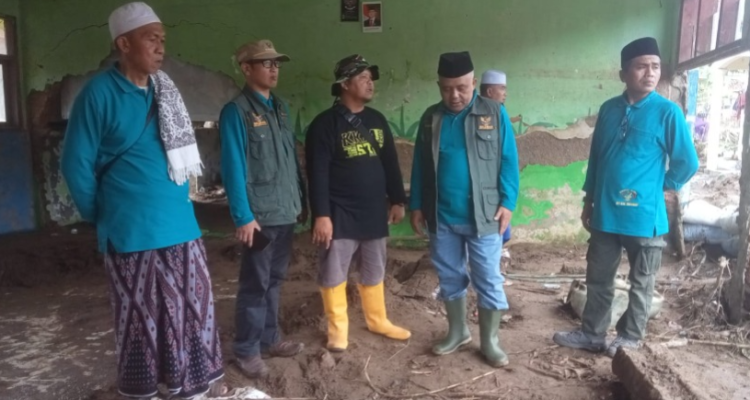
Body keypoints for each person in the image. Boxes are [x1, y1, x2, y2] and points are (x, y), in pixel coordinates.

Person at [61, 2, 227, 398]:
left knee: (191, 312)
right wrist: (102, 215)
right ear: (123, 44)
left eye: (162, 39)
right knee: (143, 319)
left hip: (181, 226)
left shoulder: (164, 89)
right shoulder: (98, 94)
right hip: (131, 232)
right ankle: (146, 390)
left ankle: (187, 386)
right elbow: (75, 164)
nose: (160, 47)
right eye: (151, 39)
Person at [552, 37, 699, 358]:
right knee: (598, 277)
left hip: (644, 216)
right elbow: (597, 159)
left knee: (641, 280)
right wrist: (589, 200)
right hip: (606, 213)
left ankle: (629, 337)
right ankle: (592, 334)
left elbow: (688, 161)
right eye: (641, 66)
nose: (650, 73)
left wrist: (662, 186)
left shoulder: (667, 112)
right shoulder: (609, 110)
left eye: (655, 66)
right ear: (623, 74)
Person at [410, 51, 520, 368]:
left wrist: (508, 202)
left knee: (487, 276)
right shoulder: (431, 118)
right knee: (449, 275)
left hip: (484, 214)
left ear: (474, 82)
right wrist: (416, 204)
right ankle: (458, 332)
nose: (454, 95)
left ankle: (490, 342)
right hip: (441, 215)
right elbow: (420, 165)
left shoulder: (494, 113)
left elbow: (509, 160)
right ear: (439, 86)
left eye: (461, 87)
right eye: (447, 88)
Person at [306, 54, 410, 352]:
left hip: (374, 211)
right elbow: (317, 173)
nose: (370, 83)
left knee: (374, 269)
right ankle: (338, 332)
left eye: (370, 78)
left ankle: (378, 321)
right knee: (333, 272)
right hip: (339, 212)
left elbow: (390, 163)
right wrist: (322, 215)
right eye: (363, 77)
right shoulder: (324, 125)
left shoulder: (377, 120)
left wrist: (397, 200)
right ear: (344, 84)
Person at [219, 39, 307, 378]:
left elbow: (290, 161)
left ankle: (271, 339)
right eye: (266, 63)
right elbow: (233, 167)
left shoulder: (279, 107)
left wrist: (300, 201)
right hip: (260, 217)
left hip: (284, 211)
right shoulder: (237, 111)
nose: (274, 69)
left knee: (275, 280)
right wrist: (243, 216)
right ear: (246, 68)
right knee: (255, 284)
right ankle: (246, 349)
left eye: (276, 63)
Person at [480, 69, 519, 268]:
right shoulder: (493, 112)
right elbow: (508, 157)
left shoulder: (497, 112)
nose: (505, 93)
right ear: (489, 91)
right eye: (502, 88)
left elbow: (508, 156)